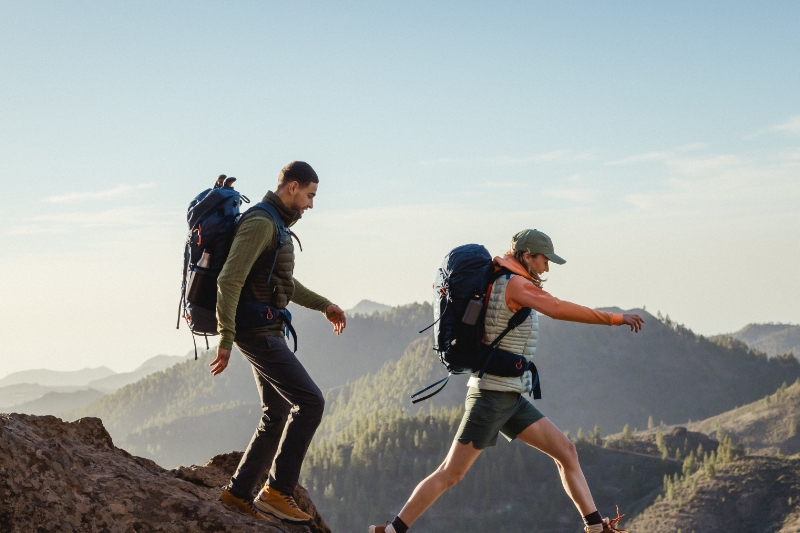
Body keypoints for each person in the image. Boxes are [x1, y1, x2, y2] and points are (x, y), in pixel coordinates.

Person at [369, 229, 643, 533]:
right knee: (450, 473)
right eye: (543, 260)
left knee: (566, 452)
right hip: (491, 398)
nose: (547, 268)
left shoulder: (506, 279)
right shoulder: (514, 284)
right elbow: (557, 308)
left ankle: (595, 527)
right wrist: (615, 319)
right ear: (526, 256)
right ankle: (392, 531)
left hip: (509, 396)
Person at [211, 161, 347, 523]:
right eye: (310, 195)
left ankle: (238, 495)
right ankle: (277, 491)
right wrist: (225, 336)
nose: (311, 204)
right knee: (311, 402)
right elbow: (228, 280)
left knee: (278, 411)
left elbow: (284, 283)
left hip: (265, 329)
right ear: (292, 188)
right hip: (255, 331)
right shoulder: (260, 223)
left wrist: (324, 305)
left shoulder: (276, 225)